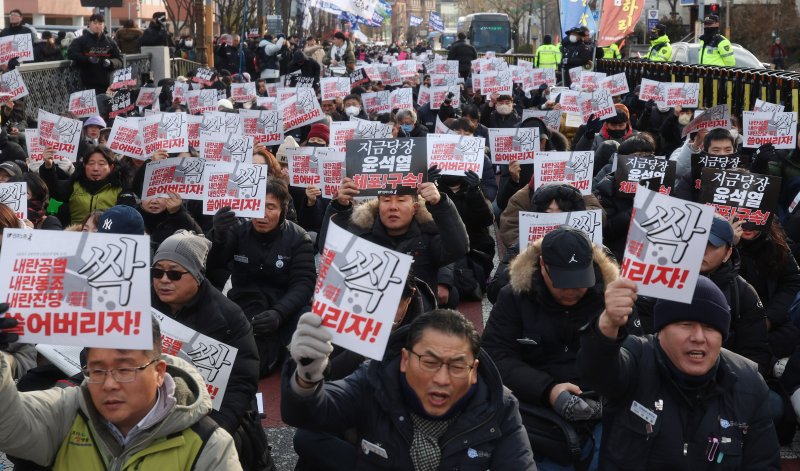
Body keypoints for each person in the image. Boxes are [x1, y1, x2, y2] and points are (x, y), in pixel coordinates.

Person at [281, 309, 537, 469]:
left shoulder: (499, 406)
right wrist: (306, 377)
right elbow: (309, 413)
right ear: (405, 360)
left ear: (474, 370)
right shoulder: (373, 381)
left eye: (458, 366)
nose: (442, 379)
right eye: (429, 362)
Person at [578, 275, 780, 469]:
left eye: (710, 327)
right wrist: (607, 325)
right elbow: (598, 371)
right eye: (686, 324)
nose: (699, 337)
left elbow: (762, 463)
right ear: (661, 330)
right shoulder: (636, 358)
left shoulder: (749, 383)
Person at [0, 311, 242, 469]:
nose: (109, 384)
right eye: (97, 370)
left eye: (125, 370)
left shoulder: (209, 445)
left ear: (159, 372)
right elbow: (8, 424)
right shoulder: (66, 410)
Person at [483, 226, 632, 469]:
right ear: (542, 265)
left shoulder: (612, 299)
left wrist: (604, 397)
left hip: (604, 410)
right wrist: (548, 391)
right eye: (562, 282)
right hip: (535, 413)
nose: (572, 291)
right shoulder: (514, 297)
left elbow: (634, 356)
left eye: (579, 282)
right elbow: (495, 357)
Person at [151, 230, 272, 470]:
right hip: (146, 408)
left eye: (174, 273)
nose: (164, 280)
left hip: (204, 414)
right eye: (157, 272)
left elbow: (241, 383)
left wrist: (213, 432)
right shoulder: (139, 303)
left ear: (196, 276)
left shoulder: (229, 317)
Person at [207, 178, 316, 376]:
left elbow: (304, 284)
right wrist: (218, 235)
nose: (262, 214)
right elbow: (213, 265)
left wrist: (279, 313)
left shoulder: (299, 238)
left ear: (283, 209)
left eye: (270, 207)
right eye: (257, 206)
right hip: (242, 305)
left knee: (307, 321)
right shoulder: (238, 230)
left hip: (283, 309)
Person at [319, 170, 469, 306]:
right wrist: (340, 208)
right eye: (386, 200)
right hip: (370, 318)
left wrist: (441, 204)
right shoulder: (362, 234)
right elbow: (329, 251)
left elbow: (458, 248)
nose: (393, 206)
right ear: (378, 205)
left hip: (418, 321)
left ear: (415, 208)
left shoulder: (428, 237)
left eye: (401, 200)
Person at [38, 145, 129, 226]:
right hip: (75, 237)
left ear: (111, 167)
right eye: (91, 163)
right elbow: (53, 190)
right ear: (84, 165)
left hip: (106, 240)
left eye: (101, 164)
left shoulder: (121, 189)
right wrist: (48, 166)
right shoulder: (74, 185)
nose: (95, 168)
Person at [67, 14, 123, 94]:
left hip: (108, 84)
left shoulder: (110, 42)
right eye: (95, 23)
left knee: (105, 105)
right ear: (90, 24)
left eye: (100, 24)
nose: (97, 26)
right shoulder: (81, 41)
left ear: (104, 25)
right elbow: (71, 54)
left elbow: (119, 60)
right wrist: (87, 59)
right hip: (86, 84)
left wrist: (111, 62)